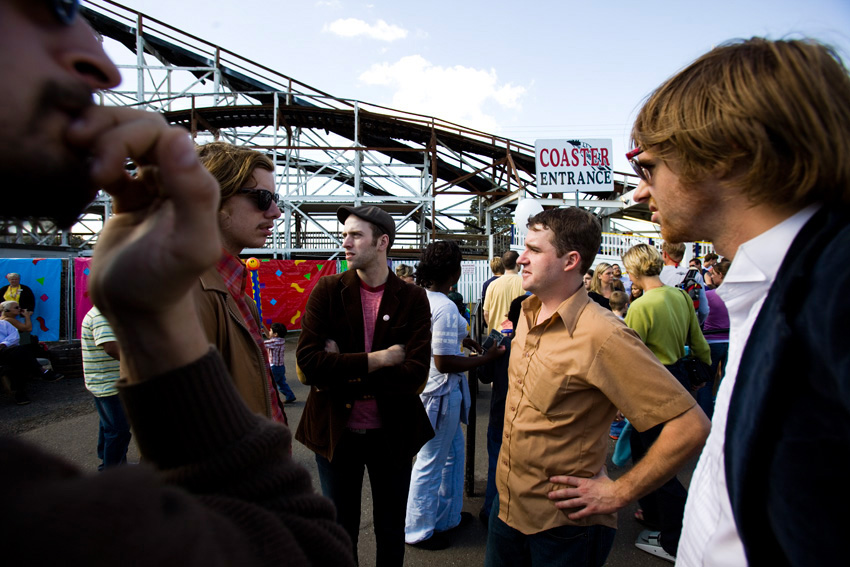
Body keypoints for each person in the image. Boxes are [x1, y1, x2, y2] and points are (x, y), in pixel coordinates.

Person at [0, 2, 353, 564]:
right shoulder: (38, 514)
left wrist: (153, 312)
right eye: (51, 6)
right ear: (209, 199)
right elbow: (296, 549)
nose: (106, 66)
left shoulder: (225, 285)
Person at [629, 37, 850, 566]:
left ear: (727, 153)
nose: (639, 192)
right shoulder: (778, 283)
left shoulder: (835, 286)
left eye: (647, 166)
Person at [485, 207, 709, 567]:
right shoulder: (526, 313)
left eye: (535, 250)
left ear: (571, 260)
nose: (521, 258)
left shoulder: (604, 334)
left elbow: (690, 426)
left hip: (563, 527)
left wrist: (620, 492)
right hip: (507, 508)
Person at [296, 205, 433, 567]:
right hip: (335, 431)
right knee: (340, 531)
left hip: (393, 432)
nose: (346, 242)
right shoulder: (328, 290)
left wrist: (341, 363)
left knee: (391, 531)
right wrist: (379, 359)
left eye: (356, 235)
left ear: (382, 242)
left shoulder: (412, 297)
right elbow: (309, 365)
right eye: (344, 234)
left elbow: (416, 374)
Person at [404, 240, 505, 550]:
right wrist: (484, 359)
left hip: (427, 391)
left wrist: (469, 343)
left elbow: (441, 339)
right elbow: (444, 361)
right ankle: (418, 530)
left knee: (452, 457)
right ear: (453, 271)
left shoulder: (420, 297)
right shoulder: (446, 306)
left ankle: (446, 518)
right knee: (432, 461)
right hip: (442, 393)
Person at [621, 243, 711, 562]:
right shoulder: (681, 296)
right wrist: (703, 369)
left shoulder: (641, 307)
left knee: (658, 460)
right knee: (642, 448)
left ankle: (674, 537)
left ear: (632, 270)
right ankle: (655, 515)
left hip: (651, 385)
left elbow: (629, 356)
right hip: (680, 378)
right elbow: (697, 340)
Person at [193, 141, 286, 425]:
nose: (275, 212)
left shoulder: (236, 296)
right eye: (262, 198)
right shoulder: (184, 294)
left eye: (275, 198)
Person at [81, 305, 130, 471]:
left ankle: (111, 463)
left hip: (106, 381)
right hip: (109, 384)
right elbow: (110, 346)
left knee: (108, 426)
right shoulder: (102, 315)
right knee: (119, 431)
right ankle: (112, 474)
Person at [697, 259, 731, 418]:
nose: (711, 276)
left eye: (714, 274)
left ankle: (707, 417)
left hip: (711, 341)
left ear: (721, 275)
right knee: (726, 381)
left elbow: (701, 314)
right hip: (730, 340)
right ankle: (722, 415)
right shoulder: (736, 294)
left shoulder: (709, 295)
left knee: (707, 382)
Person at [0, 300, 63, 384]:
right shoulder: (8, 320)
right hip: (7, 351)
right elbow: (28, 328)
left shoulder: (4, 323)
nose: (19, 309)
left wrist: (4, 344)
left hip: (8, 349)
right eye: (16, 308)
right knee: (24, 350)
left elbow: (14, 336)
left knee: (25, 350)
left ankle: (40, 372)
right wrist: (27, 316)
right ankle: (41, 371)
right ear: (7, 311)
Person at [659, 241, 709, 325]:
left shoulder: (655, 274)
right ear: (682, 256)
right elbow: (703, 310)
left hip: (661, 324)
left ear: (664, 254)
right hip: (686, 324)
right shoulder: (695, 275)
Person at [483, 250, 523, 334]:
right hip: (519, 335)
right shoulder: (525, 284)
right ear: (518, 264)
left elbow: (486, 313)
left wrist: (491, 327)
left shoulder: (492, 285)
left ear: (504, 265)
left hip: (497, 335)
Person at [265, 322, 296, 404]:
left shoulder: (274, 342)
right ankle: (290, 396)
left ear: (275, 334)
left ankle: (274, 401)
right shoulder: (280, 340)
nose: (269, 332)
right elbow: (269, 337)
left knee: (270, 385)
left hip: (274, 368)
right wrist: (264, 329)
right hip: (281, 367)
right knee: (282, 383)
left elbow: (261, 343)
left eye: (270, 330)